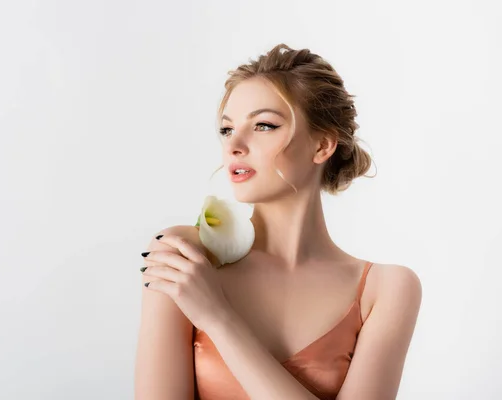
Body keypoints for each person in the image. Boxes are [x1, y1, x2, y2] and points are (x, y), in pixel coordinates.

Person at [134, 43, 422, 400]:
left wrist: (217, 318)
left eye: (264, 125)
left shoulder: (386, 289)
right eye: (226, 130)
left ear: (322, 146)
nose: (234, 145)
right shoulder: (184, 255)